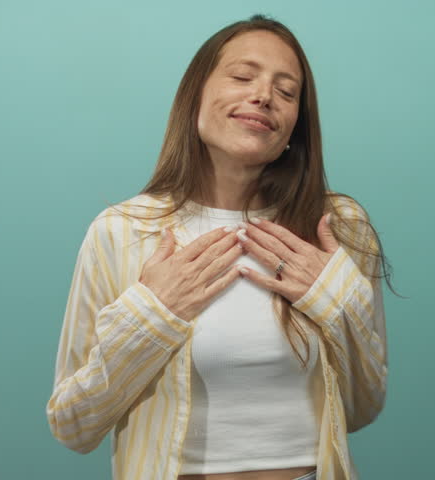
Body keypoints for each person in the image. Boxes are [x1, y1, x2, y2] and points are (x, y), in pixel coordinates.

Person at [46, 13, 395, 480]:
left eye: (286, 91)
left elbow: (363, 407)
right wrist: (153, 315)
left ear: (295, 126)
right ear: (195, 96)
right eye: (242, 76)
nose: (263, 95)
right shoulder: (122, 231)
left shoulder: (338, 226)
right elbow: (73, 424)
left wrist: (335, 301)